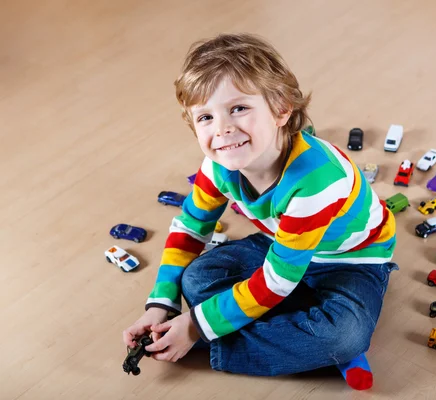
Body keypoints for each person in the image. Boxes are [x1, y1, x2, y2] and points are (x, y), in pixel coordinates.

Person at [122, 33, 398, 391]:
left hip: (351, 259)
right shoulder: (218, 162)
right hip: (280, 244)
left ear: (282, 108)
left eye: (238, 108)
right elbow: (191, 228)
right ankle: (298, 343)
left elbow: (277, 280)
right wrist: (161, 307)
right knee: (195, 280)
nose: (222, 128)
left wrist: (194, 328)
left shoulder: (316, 181)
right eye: (205, 117)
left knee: (342, 336)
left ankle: (321, 349)